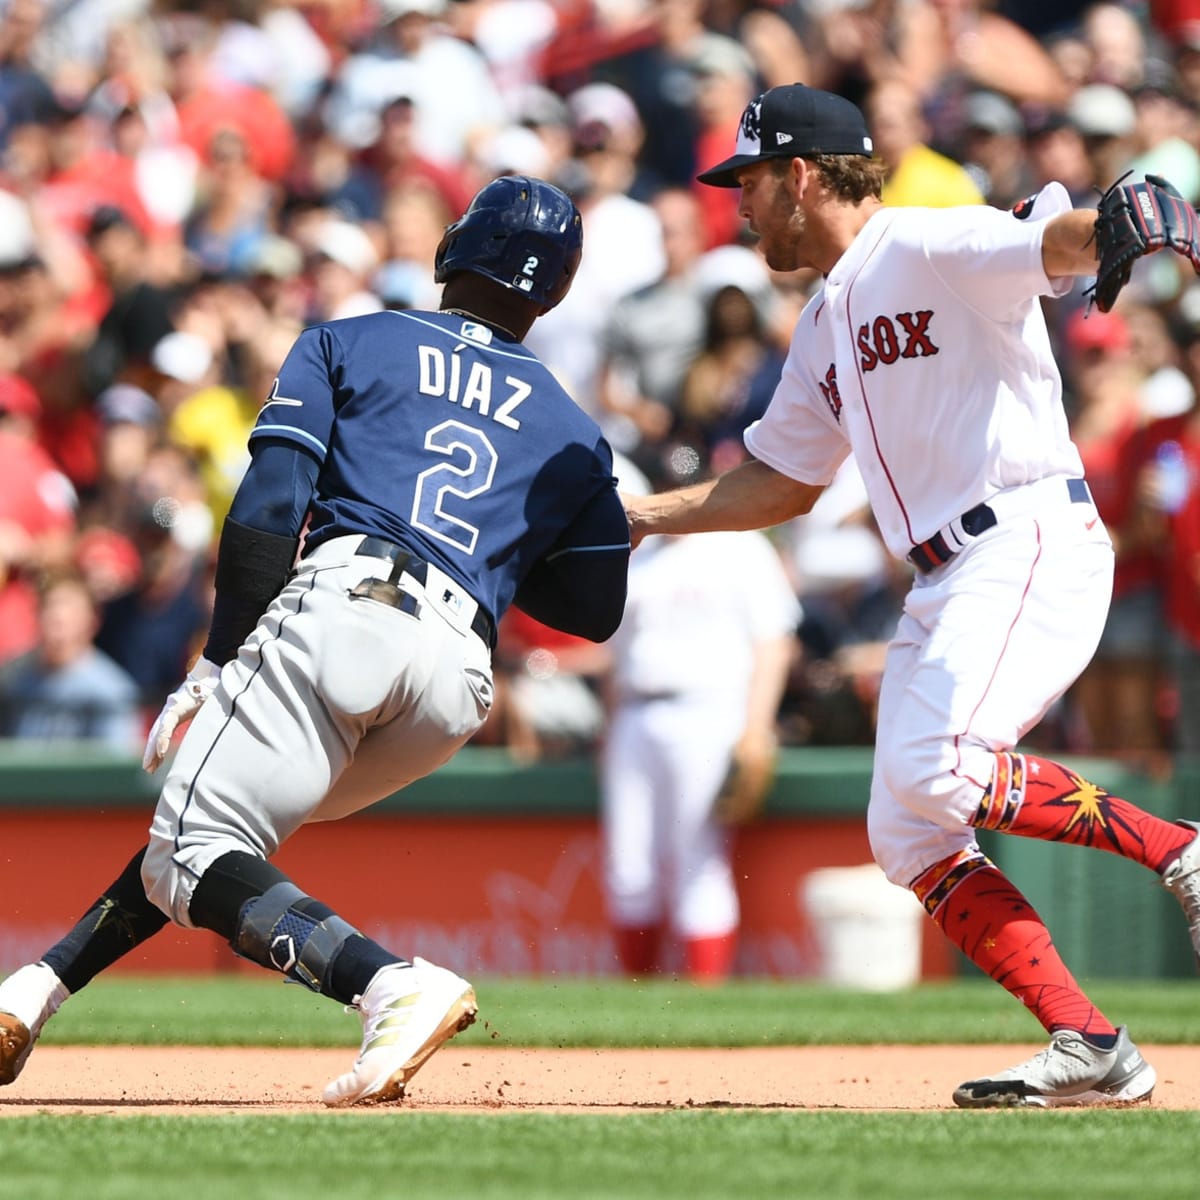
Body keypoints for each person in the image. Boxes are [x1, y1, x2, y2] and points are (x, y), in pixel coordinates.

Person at [623, 82, 1200, 1108]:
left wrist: (1107, 221)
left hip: (1025, 534)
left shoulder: (928, 244)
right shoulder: (824, 317)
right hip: (943, 580)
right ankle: (1088, 1040)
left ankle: (1183, 852)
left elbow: (1048, 248)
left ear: (802, 175)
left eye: (751, 181)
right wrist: (641, 516)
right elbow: (783, 483)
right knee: (909, 830)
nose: (740, 204)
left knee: (943, 769)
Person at [0, 176, 631, 1106]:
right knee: (208, 836)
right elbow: (594, 608)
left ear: (455, 248)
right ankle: (35, 989)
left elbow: (268, 509)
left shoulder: (355, 337)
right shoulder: (573, 429)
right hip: (457, 678)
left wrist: (216, 660)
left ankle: (388, 985)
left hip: (350, 608)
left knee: (197, 839)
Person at [601, 454, 799, 981]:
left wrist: (756, 728)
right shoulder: (638, 557)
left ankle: (702, 999)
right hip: (636, 713)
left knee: (698, 862)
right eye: (669, 485)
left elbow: (774, 644)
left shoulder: (739, 545)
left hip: (710, 712)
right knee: (628, 869)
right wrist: (609, 727)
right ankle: (638, 999)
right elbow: (616, 657)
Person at [0, 568, 141, 750]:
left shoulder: (109, 690)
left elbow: (114, 763)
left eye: (69, 611)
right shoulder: (13, 678)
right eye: (50, 609)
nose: (57, 619)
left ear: (92, 621)